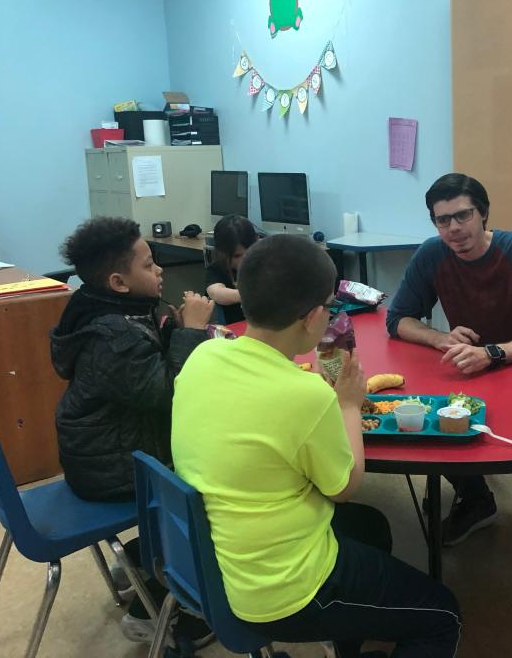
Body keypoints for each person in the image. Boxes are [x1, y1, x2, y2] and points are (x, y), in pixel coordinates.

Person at [172, 234, 462, 658]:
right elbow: (343, 487)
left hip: (218, 558)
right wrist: (347, 404)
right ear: (311, 317)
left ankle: (348, 641)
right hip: (285, 590)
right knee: (444, 614)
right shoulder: (305, 396)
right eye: (329, 306)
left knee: (370, 528)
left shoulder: (205, 355)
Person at [386, 173, 512, 549]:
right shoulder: (432, 253)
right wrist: (440, 338)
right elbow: (398, 319)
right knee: (438, 424)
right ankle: (476, 499)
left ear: (483, 214)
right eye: (442, 220)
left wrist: (493, 353)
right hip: (473, 370)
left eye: (462, 216)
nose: (453, 228)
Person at [50, 216, 214, 643]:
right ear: (120, 282)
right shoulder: (113, 335)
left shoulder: (104, 310)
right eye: (148, 265)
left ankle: (141, 558)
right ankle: (154, 611)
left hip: (102, 452)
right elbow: (170, 392)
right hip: (112, 469)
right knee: (206, 487)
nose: (159, 270)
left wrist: (173, 332)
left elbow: (140, 376)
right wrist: (192, 333)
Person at [205, 213, 258, 324]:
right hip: (233, 329)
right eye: (237, 256)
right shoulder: (217, 270)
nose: (244, 260)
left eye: (249, 252)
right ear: (221, 253)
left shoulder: (263, 264)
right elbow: (216, 293)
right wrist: (250, 295)